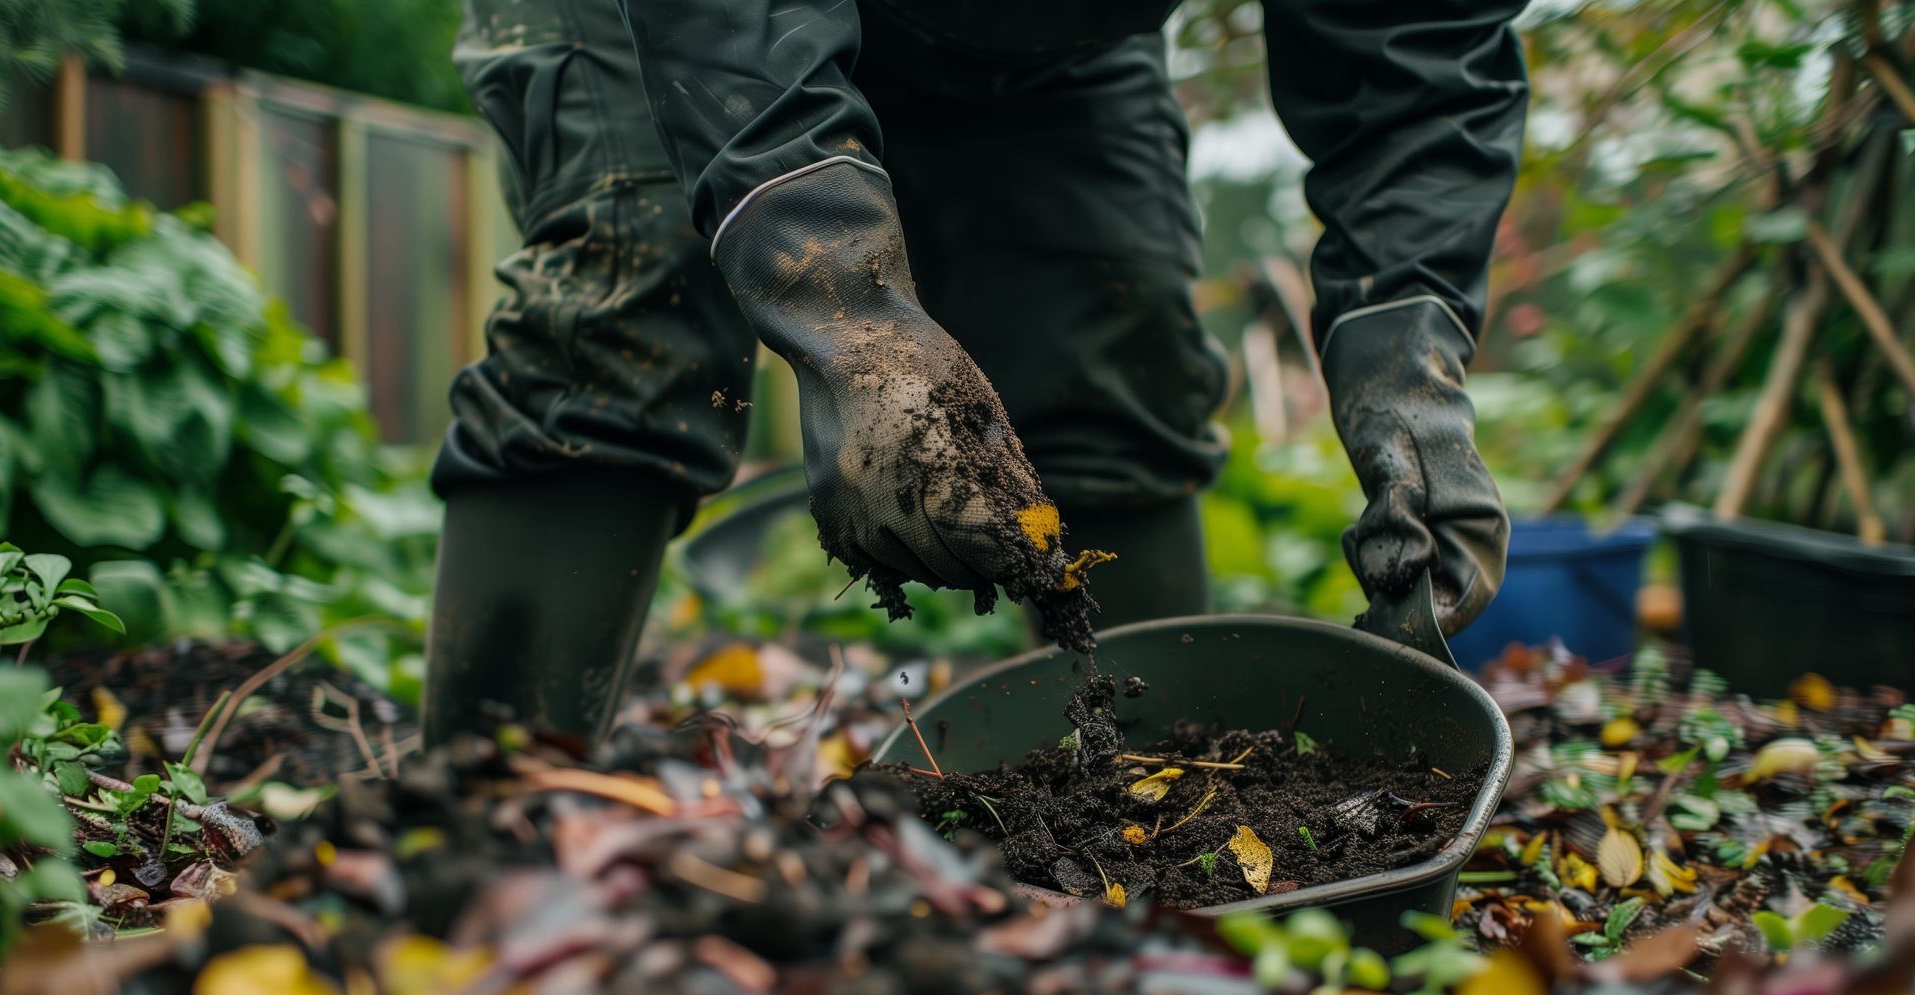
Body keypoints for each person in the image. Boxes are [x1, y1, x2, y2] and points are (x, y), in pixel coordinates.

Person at [424, 0, 1523, 746]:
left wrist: (1407, 349)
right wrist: (841, 305)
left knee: (1113, 348)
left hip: (1048, 36)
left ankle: (1160, 789)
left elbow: (1414, 46)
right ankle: (484, 812)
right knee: (627, 318)